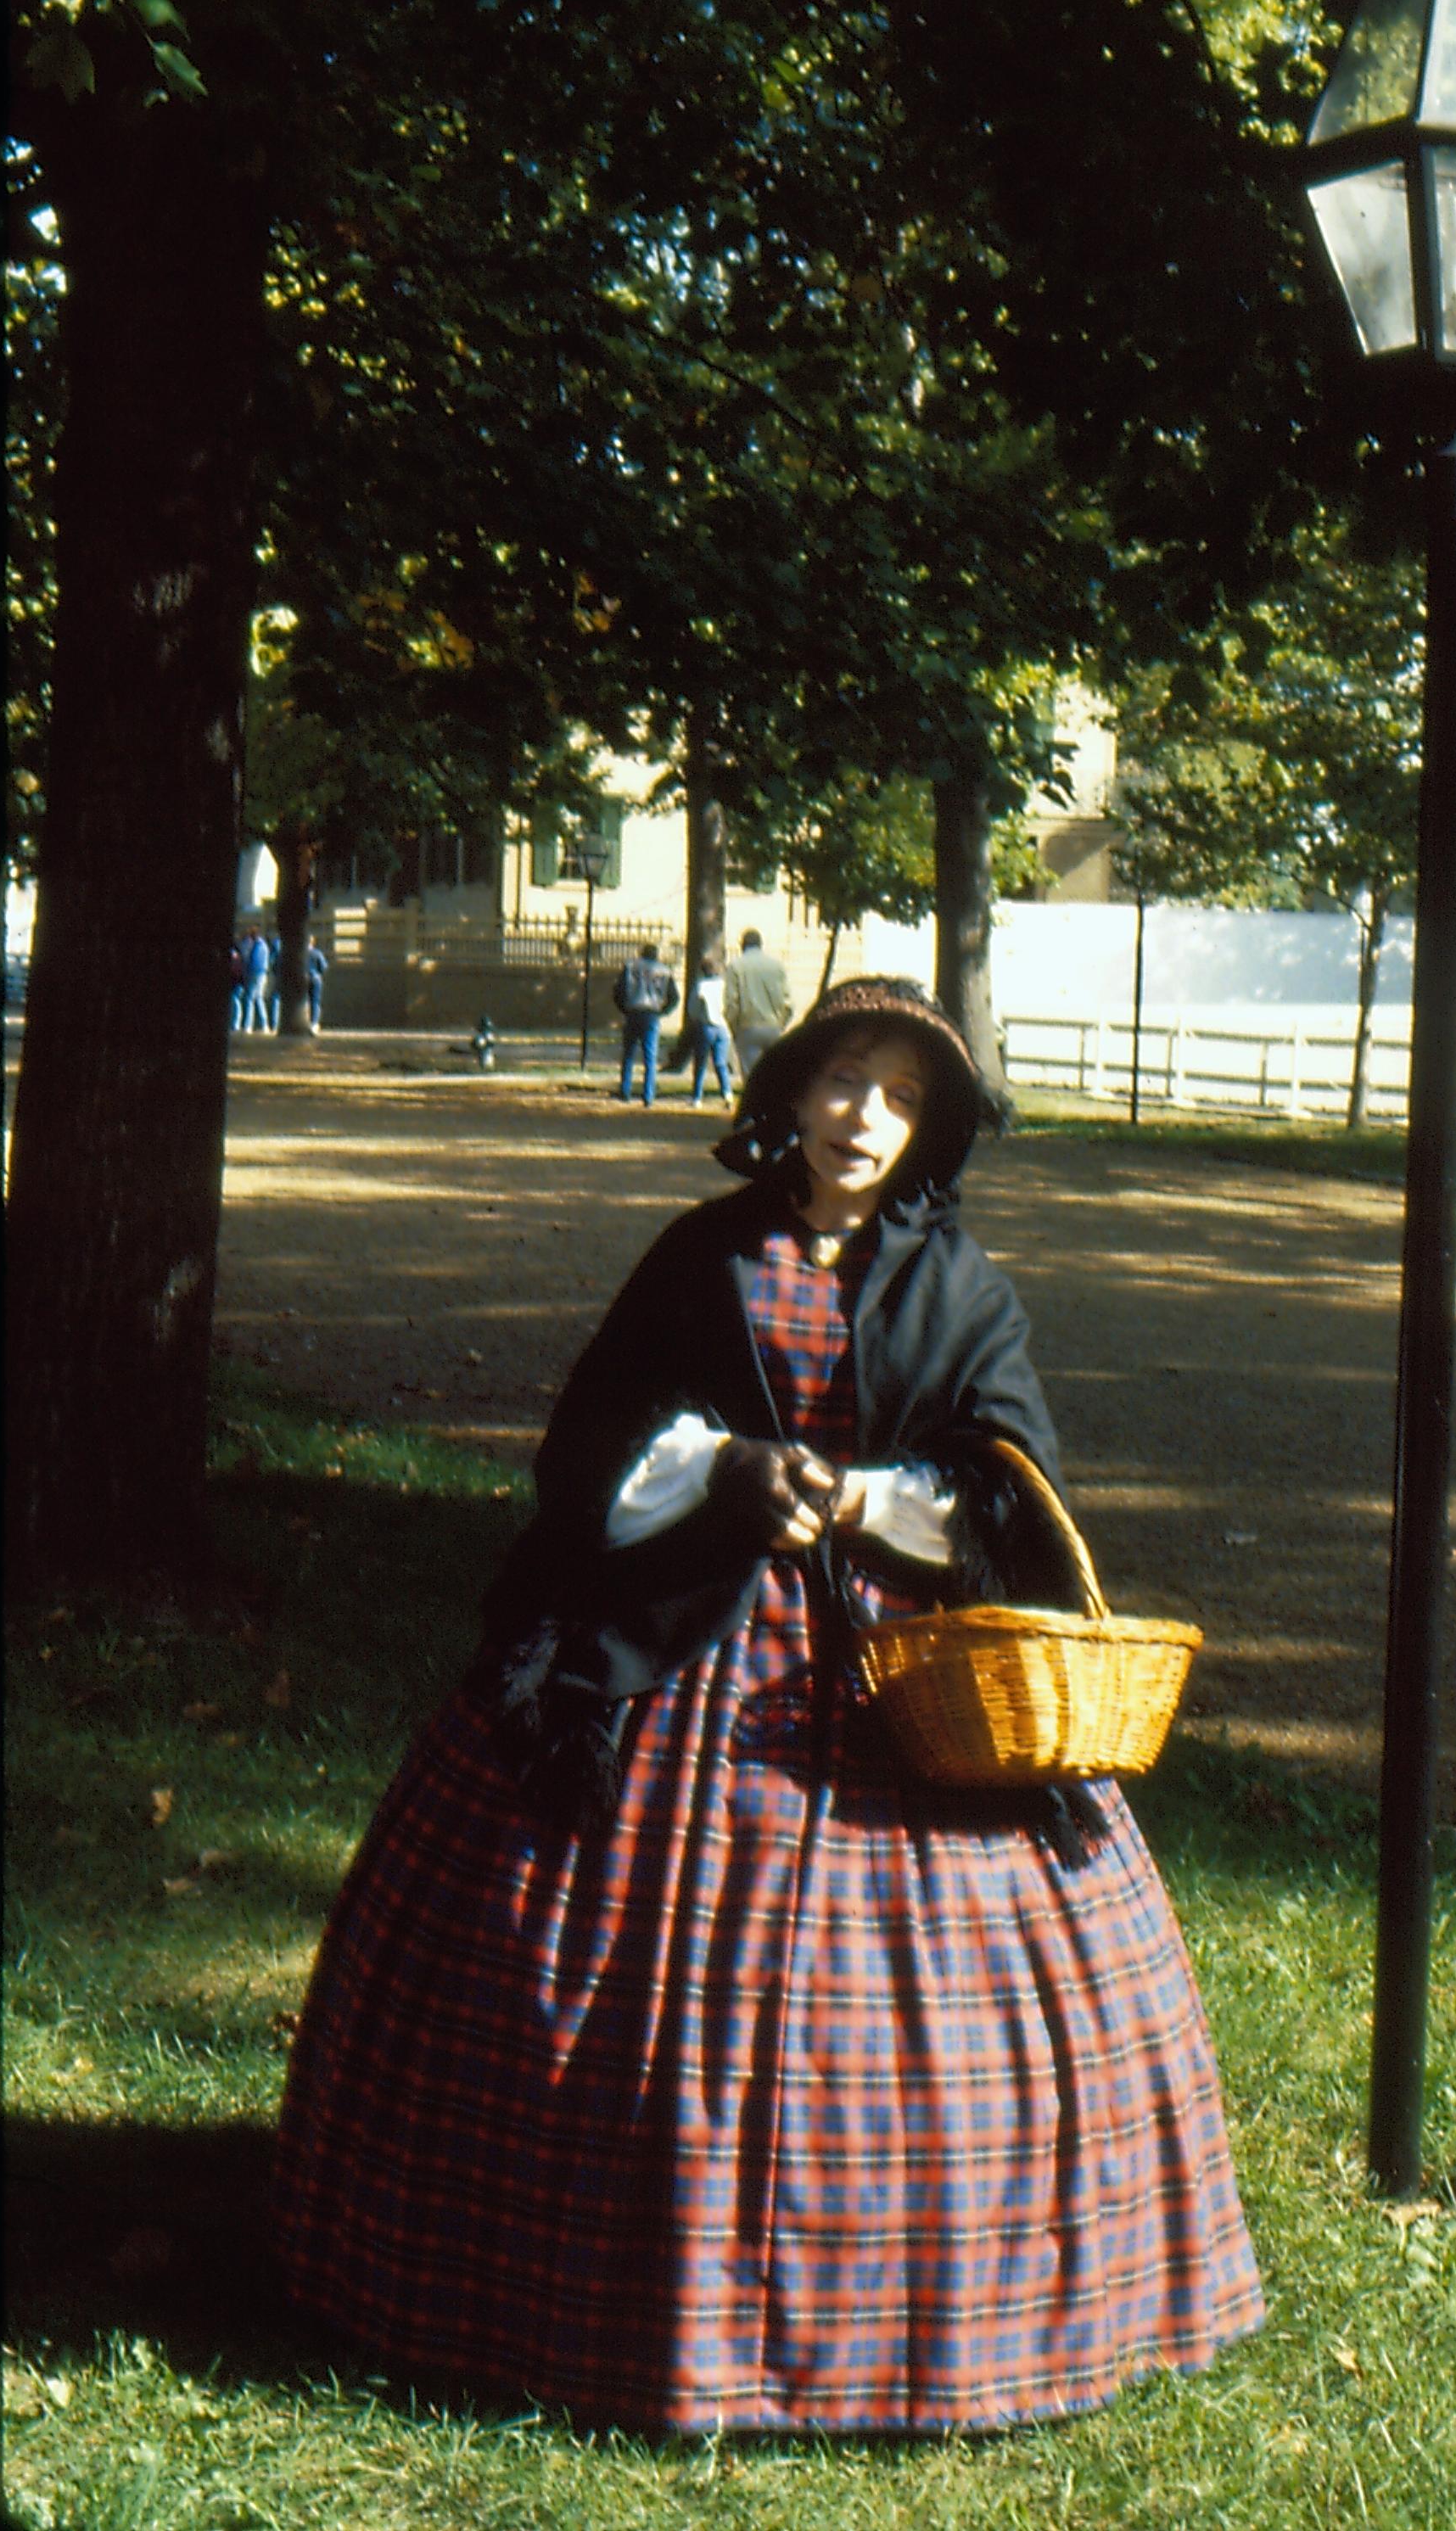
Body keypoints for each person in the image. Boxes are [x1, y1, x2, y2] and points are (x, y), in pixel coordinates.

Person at [272, 975, 1263, 2433]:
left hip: (894, 1671)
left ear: (933, 1133)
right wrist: (729, 1476)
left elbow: (1008, 1489)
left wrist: (864, 1499)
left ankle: (953, 2312)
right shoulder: (696, 1258)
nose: (864, 1116)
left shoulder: (962, 1290)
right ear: (790, 1095)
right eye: (844, 1081)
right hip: (679, 1639)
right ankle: (580, 2288)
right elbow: (590, 1441)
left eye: (902, 1097)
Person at [613, 944, 678, 1105]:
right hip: (652, 1014)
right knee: (650, 1057)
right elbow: (674, 996)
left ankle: (625, 1091)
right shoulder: (664, 970)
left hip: (633, 1012)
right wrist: (663, 1011)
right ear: (656, 955)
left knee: (628, 1054)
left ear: (641, 953)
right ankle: (648, 1096)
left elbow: (618, 991)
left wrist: (624, 1008)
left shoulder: (630, 967)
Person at [725, 926, 789, 1073]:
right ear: (761, 945)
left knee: (752, 1078)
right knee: (773, 1075)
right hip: (773, 1026)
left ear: (742, 945)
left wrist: (734, 1027)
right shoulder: (776, 966)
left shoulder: (736, 966)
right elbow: (788, 1003)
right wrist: (781, 1024)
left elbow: (732, 1003)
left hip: (748, 1027)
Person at [686, 952, 735, 1107]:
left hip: (706, 1026)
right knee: (721, 1063)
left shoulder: (701, 985)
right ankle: (727, 1094)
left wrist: (696, 1018)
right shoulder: (724, 985)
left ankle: (697, 1097)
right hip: (723, 1027)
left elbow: (692, 1008)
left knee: (700, 1063)